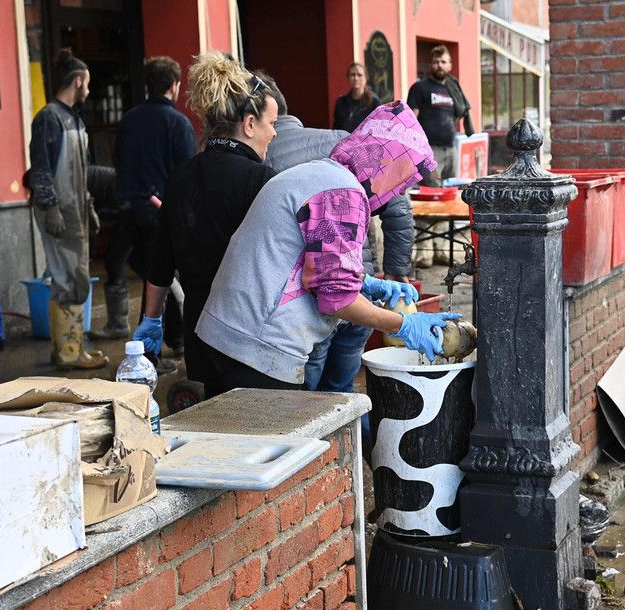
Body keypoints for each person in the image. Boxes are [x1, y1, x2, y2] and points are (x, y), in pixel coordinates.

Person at [194, 101, 460, 393]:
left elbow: (307, 257)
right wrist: (403, 325)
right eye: (404, 179)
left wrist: (365, 283)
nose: (401, 190)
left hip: (224, 334)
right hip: (255, 345)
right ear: (388, 164)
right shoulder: (342, 193)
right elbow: (338, 299)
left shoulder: (321, 173)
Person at [262, 74, 415, 437]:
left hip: (312, 303)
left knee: (310, 405)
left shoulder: (263, 157)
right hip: (353, 288)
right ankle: (356, 458)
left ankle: (327, 461)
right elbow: (397, 209)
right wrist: (396, 272)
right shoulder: (341, 141)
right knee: (343, 392)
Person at [132, 53, 277, 398]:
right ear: (249, 124)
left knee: (216, 418)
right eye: (271, 123)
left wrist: (151, 319)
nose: (274, 132)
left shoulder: (181, 176)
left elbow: (160, 262)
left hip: (200, 333)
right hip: (251, 335)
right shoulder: (261, 180)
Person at [92, 57, 196, 370]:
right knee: (159, 282)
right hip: (161, 214)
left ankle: (174, 338)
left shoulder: (128, 121)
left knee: (156, 278)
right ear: (174, 86)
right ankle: (148, 357)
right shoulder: (178, 123)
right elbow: (187, 174)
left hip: (128, 212)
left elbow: (119, 161)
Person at [28, 49, 106, 370]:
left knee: (75, 277)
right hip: (60, 211)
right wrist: (50, 207)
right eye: (87, 82)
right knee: (68, 279)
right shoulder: (49, 118)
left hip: (75, 208)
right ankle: (70, 352)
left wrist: (88, 205)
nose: (89, 89)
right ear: (77, 81)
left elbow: (80, 170)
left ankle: (67, 347)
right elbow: (41, 168)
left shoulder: (73, 117)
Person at [405, 45, 474, 186]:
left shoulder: (453, 89)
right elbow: (410, 121)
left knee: (453, 191)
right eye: (436, 62)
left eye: (443, 62)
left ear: (450, 65)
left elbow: (458, 114)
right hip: (430, 151)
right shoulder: (420, 87)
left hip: (451, 149)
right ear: (430, 65)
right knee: (433, 191)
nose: (440, 65)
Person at [333, 62, 381, 133]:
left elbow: (378, 129)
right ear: (348, 78)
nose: (356, 78)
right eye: (352, 75)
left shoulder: (374, 102)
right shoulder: (341, 101)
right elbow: (336, 128)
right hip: (344, 139)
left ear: (365, 78)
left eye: (359, 75)